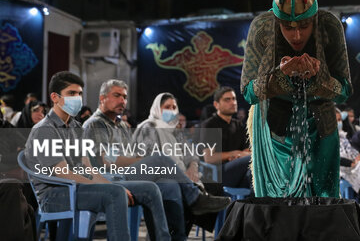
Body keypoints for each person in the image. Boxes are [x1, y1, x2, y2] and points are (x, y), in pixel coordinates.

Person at [24, 71, 172, 241]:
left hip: (79, 187)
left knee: (150, 189)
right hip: (55, 194)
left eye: (79, 93)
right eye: (71, 93)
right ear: (55, 97)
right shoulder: (45, 129)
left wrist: (107, 183)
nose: (77, 98)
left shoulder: (75, 127)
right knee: (114, 193)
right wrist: (111, 187)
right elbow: (63, 173)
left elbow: (88, 167)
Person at [240, 0, 351, 198]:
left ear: (314, 20)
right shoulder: (262, 27)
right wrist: (280, 76)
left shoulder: (329, 26)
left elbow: (344, 91)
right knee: (277, 204)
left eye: (304, 26)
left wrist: (320, 79)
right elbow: (249, 92)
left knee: (322, 201)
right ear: (277, 21)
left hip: (321, 124)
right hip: (273, 128)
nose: (297, 36)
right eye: (288, 28)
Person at [83, 79, 230, 240]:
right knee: (160, 159)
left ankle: (175, 237)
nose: (122, 101)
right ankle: (195, 197)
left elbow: (132, 154)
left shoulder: (121, 125)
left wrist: (189, 166)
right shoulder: (96, 124)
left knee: (170, 185)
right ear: (102, 98)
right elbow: (107, 161)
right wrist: (147, 160)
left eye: (124, 97)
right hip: (110, 178)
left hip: (131, 174)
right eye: (117, 95)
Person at [133, 93, 203, 185]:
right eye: (167, 107)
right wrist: (180, 174)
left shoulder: (175, 129)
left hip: (183, 173)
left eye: (174, 107)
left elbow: (189, 151)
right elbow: (152, 160)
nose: (171, 111)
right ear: (157, 109)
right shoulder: (149, 127)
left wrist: (193, 167)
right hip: (161, 176)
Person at [200, 87, 252, 189]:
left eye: (234, 99)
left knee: (254, 172)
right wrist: (235, 154)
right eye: (227, 99)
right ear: (216, 105)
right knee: (253, 160)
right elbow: (209, 158)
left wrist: (240, 156)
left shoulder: (239, 125)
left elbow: (248, 150)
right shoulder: (209, 125)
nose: (233, 103)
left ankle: (256, 202)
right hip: (218, 173)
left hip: (239, 168)